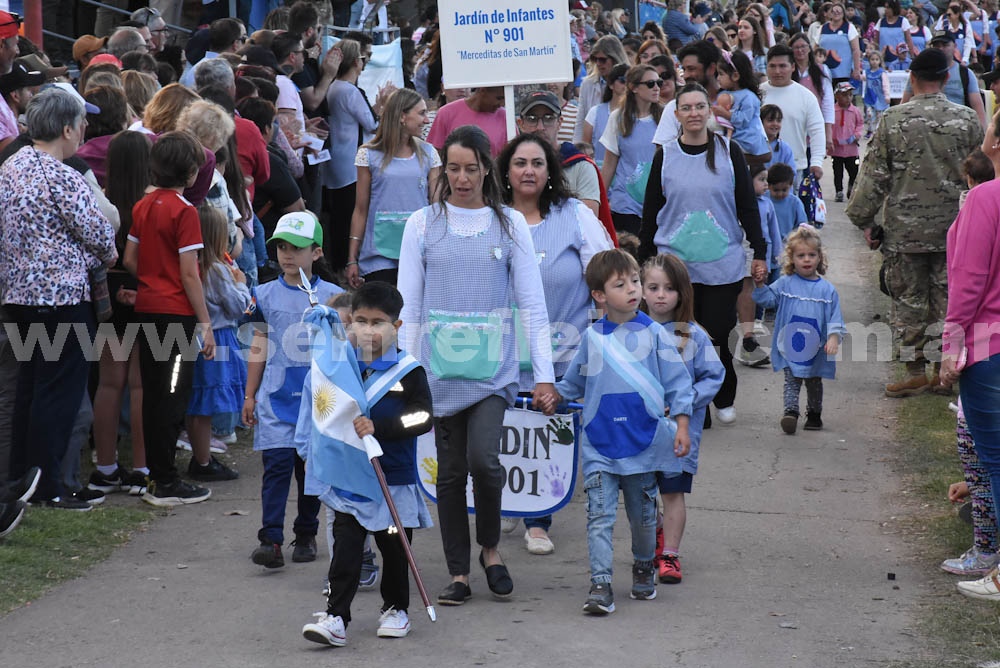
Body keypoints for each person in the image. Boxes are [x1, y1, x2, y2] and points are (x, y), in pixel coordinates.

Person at [397, 126, 556, 606]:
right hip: (437, 372)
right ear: (442, 170)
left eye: (471, 168)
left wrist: (545, 373)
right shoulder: (422, 224)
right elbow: (410, 306)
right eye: (453, 168)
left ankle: (490, 547)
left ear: (487, 168)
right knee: (447, 475)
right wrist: (404, 373)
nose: (462, 178)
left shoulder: (509, 224)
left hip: (493, 372)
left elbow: (532, 304)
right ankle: (459, 572)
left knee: (485, 464)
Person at [543, 248, 693, 613]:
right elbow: (573, 383)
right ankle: (601, 584)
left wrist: (683, 426)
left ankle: (644, 564)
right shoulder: (592, 338)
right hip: (599, 443)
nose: (633, 289)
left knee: (642, 519)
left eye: (635, 282)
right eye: (620, 284)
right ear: (598, 295)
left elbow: (679, 383)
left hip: (644, 444)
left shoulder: (656, 334)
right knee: (598, 516)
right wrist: (552, 396)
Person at [0, 88, 116, 510]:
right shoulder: (63, 175)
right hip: (61, 299)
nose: (85, 128)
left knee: (30, 390)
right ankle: (48, 486)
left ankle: (22, 481)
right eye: (81, 122)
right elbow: (103, 236)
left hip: (18, 296)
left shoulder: (11, 166)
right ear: (67, 128)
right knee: (57, 393)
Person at [299, 281, 434, 646]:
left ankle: (396, 609)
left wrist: (383, 427)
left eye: (378, 322)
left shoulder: (409, 371)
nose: (368, 330)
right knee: (346, 549)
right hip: (351, 478)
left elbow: (422, 418)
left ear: (397, 326)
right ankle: (336, 616)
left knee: (394, 550)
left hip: (394, 479)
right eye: (360, 320)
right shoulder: (340, 366)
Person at [497, 132, 613, 554]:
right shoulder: (490, 216)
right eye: (520, 163)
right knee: (505, 430)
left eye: (538, 163)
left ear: (551, 173)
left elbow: (604, 272)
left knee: (545, 433)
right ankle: (510, 502)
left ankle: (538, 520)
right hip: (503, 351)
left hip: (564, 349)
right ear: (506, 171)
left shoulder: (574, 216)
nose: (529, 170)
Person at [847, 46, 983, 398]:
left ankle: (914, 370)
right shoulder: (967, 120)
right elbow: (981, 174)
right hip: (956, 228)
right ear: (946, 77)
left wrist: (863, 218)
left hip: (905, 230)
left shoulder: (894, 120)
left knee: (908, 300)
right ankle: (944, 370)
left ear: (912, 77)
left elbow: (874, 176)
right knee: (948, 298)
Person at [641, 83, 767, 425]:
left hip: (720, 265)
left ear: (709, 112)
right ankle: (692, 405)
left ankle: (721, 394)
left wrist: (759, 248)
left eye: (700, 106)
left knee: (714, 336)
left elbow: (747, 205)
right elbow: (652, 210)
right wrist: (644, 262)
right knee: (678, 339)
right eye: (687, 107)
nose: (694, 113)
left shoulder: (730, 151)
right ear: (677, 114)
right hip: (674, 266)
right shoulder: (664, 155)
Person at [242, 211, 342, 568]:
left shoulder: (335, 298)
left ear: (316, 253)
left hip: (319, 402)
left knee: (310, 470)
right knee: (277, 468)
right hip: (275, 400)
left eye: (297, 248)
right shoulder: (263, 294)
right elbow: (258, 344)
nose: (288, 255)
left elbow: (343, 351)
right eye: (282, 247)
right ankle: (270, 539)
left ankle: (306, 533)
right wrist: (250, 394)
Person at [124, 130, 214, 507]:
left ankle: (155, 475)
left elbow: (129, 259)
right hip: (176, 316)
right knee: (173, 397)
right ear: (191, 173)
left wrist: (148, 281)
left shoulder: (143, 206)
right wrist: (205, 322)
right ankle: (165, 480)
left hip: (146, 309)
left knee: (154, 396)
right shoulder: (185, 211)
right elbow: (190, 272)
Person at [939, 139, 1000, 602]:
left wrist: (950, 347)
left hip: (989, 344)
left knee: (995, 462)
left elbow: (970, 278)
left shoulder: (986, 196)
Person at [640, 253, 723, 585]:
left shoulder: (694, 336)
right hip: (639, 432)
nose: (661, 295)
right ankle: (653, 539)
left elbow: (713, 378)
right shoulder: (629, 332)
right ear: (641, 290)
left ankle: (670, 553)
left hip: (679, 433)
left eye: (670, 288)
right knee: (642, 494)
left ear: (682, 293)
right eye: (653, 287)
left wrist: (682, 404)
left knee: (673, 493)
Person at [88, 131, 153, 498]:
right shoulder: (150, 206)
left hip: (109, 296)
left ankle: (105, 467)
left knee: (109, 383)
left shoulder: (102, 203)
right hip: (145, 293)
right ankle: (142, 468)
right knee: (141, 384)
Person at [752, 226, 844, 433]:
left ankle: (814, 414)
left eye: (812, 255)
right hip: (791, 343)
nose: (807, 259)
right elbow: (768, 300)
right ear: (792, 258)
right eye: (801, 255)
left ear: (820, 257)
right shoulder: (785, 284)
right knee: (792, 379)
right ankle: (790, 413)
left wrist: (833, 338)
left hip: (816, 346)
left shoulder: (827, 290)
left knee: (813, 381)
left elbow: (835, 317)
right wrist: (760, 285)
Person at [346, 88, 440, 289]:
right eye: (421, 113)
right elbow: (361, 209)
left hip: (419, 250)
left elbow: (437, 206)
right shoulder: (368, 155)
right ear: (402, 116)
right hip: (377, 255)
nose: (426, 120)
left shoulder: (428, 153)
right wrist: (352, 258)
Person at [182, 204, 247, 483]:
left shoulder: (192, 267)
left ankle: (201, 453)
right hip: (217, 338)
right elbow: (235, 307)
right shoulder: (219, 270)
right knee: (206, 403)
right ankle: (203, 459)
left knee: (196, 400)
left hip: (193, 337)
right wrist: (242, 284)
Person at [321, 39, 381, 270]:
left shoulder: (333, 87)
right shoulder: (349, 90)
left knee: (338, 216)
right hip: (351, 164)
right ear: (357, 62)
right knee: (349, 216)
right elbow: (372, 123)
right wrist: (383, 106)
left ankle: (338, 262)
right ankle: (348, 262)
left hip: (336, 160)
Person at [600, 64, 663, 235]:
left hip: (658, 202)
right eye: (650, 84)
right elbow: (609, 164)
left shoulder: (666, 118)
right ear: (634, 87)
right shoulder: (618, 118)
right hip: (625, 203)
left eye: (659, 82)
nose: (656, 88)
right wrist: (599, 202)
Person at [941, 401, 999, 576]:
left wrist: (949, 372)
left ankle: (985, 555)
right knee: (985, 481)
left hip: (979, 413)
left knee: (983, 487)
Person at [760, 44, 827, 194]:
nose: (777, 71)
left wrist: (816, 162)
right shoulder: (758, 94)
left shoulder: (806, 96)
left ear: (792, 67)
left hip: (794, 170)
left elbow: (817, 130)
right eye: (772, 66)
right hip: (760, 169)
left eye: (782, 66)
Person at [715, 50, 771, 164]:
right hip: (730, 136)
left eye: (721, 74)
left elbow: (744, 120)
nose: (718, 78)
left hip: (746, 140)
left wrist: (725, 114)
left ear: (735, 76)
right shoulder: (723, 93)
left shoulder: (749, 97)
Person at [575, 35, 630, 143]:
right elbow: (581, 120)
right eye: (595, 60)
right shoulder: (587, 84)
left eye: (603, 60)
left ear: (615, 58)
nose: (598, 64)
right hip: (595, 143)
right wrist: (578, 149)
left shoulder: (631, 81)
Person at [426, 86, 507, 157]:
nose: (502, 104)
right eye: (499, 98)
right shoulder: (446, 113)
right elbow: (434, 155)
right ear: (482, 91)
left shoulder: (504, 116)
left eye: (505, 99)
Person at [788, 33, 834, 157]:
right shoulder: (788, 72)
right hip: (793, 129)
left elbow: (827, 102)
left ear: (809, 48)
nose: (800, 50)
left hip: (814, 127)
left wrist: (828, 133)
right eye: (796, 47)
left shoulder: (821, 70)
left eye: (803, 46)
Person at [583, 63, 628, 167]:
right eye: (622, 80)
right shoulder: (595, 112)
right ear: (611, 84)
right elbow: (585, 147)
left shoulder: (637, 114)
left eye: (630, 81)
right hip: (600, 171)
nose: (626, 85)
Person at [831, 81, 863, 202]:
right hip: (837, 148)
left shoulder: (855, 111)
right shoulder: (832, 110)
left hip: (851, 148)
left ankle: (852, 188)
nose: (848, 98)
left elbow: (860, 124)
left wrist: (857, 135)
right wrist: (830, 139)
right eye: (844, 95)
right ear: (836, 96)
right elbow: (828, 125)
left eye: (850, 95)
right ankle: (839, 191)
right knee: (837, 172)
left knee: (853, 170)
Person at [818, 2, 862, 84]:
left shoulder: (849, 27)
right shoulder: (822, 28)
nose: (836, 13)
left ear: (843, 13)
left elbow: (856, 50)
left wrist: (856, 69)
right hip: (824, 72)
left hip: (843, 72)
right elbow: (816, 48)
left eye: (839, 11)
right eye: (833, 11)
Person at [767, 162, 809, 239]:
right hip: (767, 241)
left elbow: (802, 225)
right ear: (768, 186)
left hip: (788, 243)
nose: (780, 194)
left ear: (790, 185)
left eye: (784, 190)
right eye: (776, 190)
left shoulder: (795, 203)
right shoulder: (764, 200)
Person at [875, 0, 917, 66]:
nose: (885, 10)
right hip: (883, 60)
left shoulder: (903, 21)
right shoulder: (881, 21)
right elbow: (876, 41)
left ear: (894, 8)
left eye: (888, 8)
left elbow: (909, 40)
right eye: (885, 7)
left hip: (900, 61)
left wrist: (912, 56)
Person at [862, 51, 890, 138]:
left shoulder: (882, 73)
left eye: (876, 59)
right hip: (870, 97)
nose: (874, 61)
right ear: (869, 61)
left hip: (880, 98)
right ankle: (871, 129)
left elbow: (886, 85)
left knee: (880, 115)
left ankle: (879, 131)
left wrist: (887, 96)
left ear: (880, 61)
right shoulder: (867, 72)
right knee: (870, 114)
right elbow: (863, 80)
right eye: (872, 59)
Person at [761, 103, 797, 169]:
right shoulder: (754, 146)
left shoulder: (784, 148)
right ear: (761, 122)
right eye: (770, 120)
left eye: (778, 121)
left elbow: (792, 173)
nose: (775, 124)